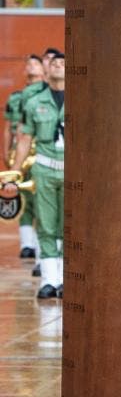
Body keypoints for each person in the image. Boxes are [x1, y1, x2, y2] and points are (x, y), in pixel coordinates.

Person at [3, 54, 66, 298]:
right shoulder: (34, 102)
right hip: (45, 168)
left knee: (66, 226)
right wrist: (14, 175)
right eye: (54, 63)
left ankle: (62, 277)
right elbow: (24, 141)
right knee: (47, 223)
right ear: (46, 71)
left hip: (71, 172)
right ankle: (49, 280)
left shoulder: (82, 98)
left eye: (63, 63)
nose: (58, 65)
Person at [4, 54, 45, 259]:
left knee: (41, 200)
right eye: (27, 64)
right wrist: (6, 154)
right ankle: (27, 243)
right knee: (23, 195)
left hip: (41, 152)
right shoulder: (18, 97)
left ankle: (39, 247)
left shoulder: (47, 94)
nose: (30, 66)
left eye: (35, 63)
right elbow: (11, 128)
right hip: (20, 152)